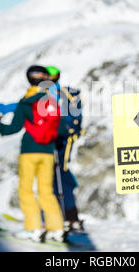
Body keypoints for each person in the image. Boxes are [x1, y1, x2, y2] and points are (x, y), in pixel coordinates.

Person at [0, 65, 65, 242]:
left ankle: (33, 228)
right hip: (48, 152)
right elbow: (60, 128)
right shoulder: (51, 101)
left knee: (26, 190)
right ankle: (57, 228)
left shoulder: (26, 102)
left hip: (29, 151)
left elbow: (13, 129)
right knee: (46, 191)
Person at [45, 66, 85, 232]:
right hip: (56, 139)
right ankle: (67, 216)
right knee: (56, 174)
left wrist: (68, 131)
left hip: (64, 140)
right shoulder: (49, 94)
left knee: (61, 172)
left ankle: (70, 216)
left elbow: (72, 118)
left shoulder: (62, 94)